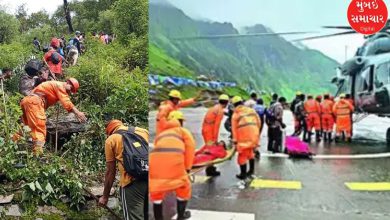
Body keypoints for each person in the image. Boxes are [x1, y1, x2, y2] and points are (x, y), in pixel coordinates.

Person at [20, 79, 87, 156]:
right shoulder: (60, 85)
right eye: (71, 89)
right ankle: (37, 155)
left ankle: (15, 145)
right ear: (68, 83)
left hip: (27, 101)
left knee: (25, 127)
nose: (69, 92)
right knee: (39, 128)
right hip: (34, 103)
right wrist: (78, 113)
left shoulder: (55, 85)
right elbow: (66, 102)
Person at [98, 120, 149, 220]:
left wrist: (105, 197)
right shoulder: (143, 131)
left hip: (131, 183)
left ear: (108, 131)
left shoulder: (111, 139)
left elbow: (110, 172)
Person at [150, 111, 196, 220]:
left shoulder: (161, 134)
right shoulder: (183, 132)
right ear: (180, 121)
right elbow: (190, 148)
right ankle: (181, 216)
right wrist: (187, 169)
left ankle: (158, 218)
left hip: (155, 167)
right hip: (175, 166)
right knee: (183, 187)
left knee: (157, 191)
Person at [231, 96, 261, 180]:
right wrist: (256, 133)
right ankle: (251, 171)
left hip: (243, 138)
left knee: (242, 155)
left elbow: (234, 129)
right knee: (251, 152)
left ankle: (243, 174)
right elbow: (259, 122)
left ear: (234, 105)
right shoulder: (251, 110)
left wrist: (235, 141)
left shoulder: (235, 114)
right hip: (254, 135)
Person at [201, 94, 229, 176]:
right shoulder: (220, 111)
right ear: (226, 103)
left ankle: (211, 168)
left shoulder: (214, 108)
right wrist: (215, 140)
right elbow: (216, 126)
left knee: (210, 149)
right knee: (211, 150)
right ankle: (209, 170)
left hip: (205, 130)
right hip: (209, 132)